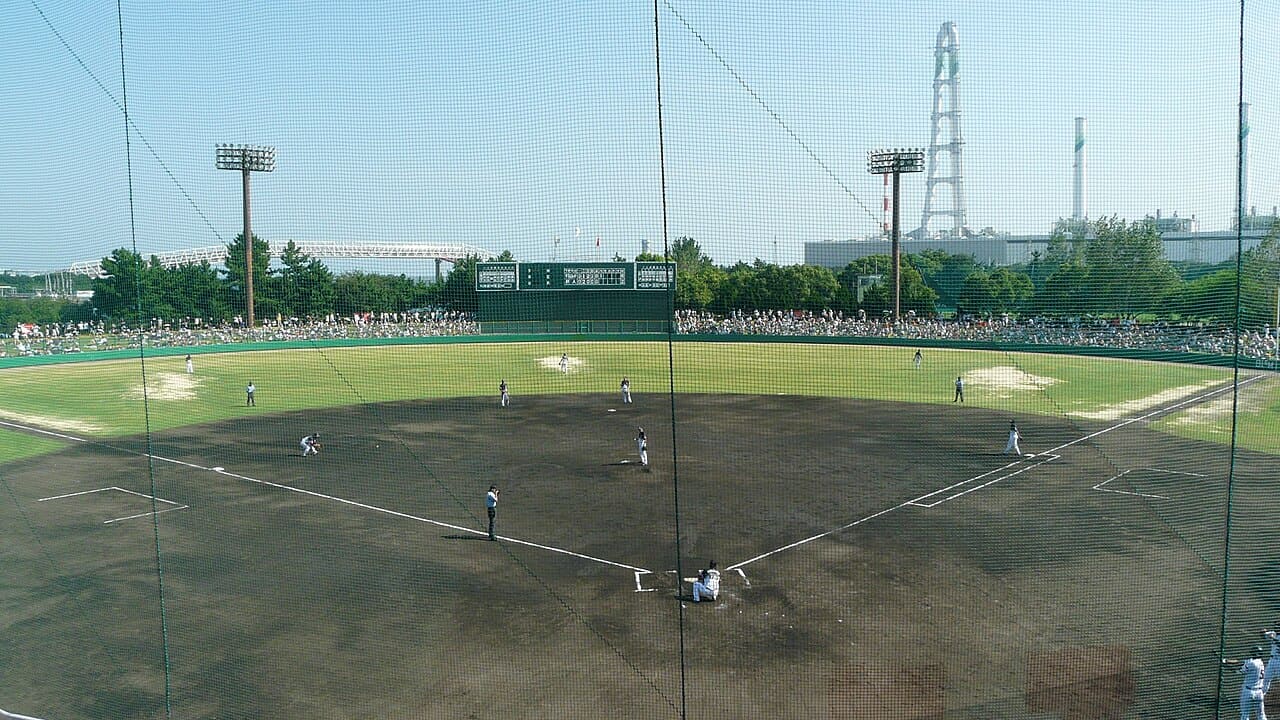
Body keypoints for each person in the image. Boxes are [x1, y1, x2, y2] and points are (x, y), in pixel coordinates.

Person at [1224, 647, 1268, 720]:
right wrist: (1226, 660)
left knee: (1245, 715)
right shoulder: (1260, 662)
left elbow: (1238, 671)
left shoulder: (1252, 663)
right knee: (1261, 715)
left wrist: (1225, 666)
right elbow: (1241, 661)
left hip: (1248, 692)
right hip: (1259, 693)